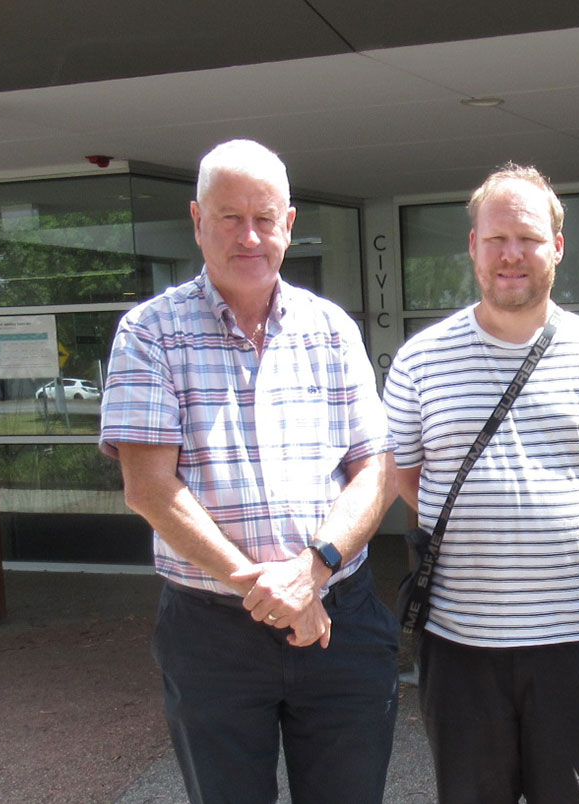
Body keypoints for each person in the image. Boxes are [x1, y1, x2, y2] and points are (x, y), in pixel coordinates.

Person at [100, 139, 401, 804]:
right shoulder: (150, 333)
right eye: (229, 216)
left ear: (289, 225)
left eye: (264, 217)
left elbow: (377, 469)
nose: (249, 235)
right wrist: (271, 593)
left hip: (339, 620)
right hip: (213, 635)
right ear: (197, 220)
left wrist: (312, 572)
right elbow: (149, 489)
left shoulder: (331, 330)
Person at [382, 163, 579, 803]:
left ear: (557, 246)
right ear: (472, 247)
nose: (512, 254)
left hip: (573, 641)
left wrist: (551, 528)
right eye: (495, 238)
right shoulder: (420, 361)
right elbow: (406, 478)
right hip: (459, 642)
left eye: (528, 238)